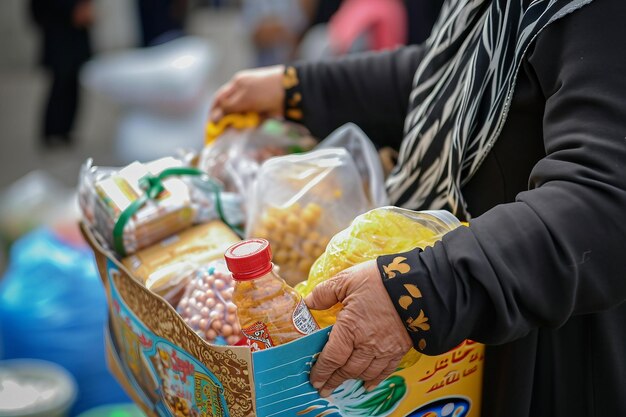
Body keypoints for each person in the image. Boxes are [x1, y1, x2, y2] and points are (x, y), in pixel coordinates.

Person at [210, 0, 626, 415]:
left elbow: (603, 205)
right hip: (461, 329)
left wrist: (422, 289)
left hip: (551, 356)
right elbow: (457, 77)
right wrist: (299, 88)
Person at [30, 0, 93, 147]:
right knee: (60, 84)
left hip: (75, 33)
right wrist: (73, 10)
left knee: (73, 84)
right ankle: (52, 131)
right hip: (59, 31)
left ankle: (65, 129)